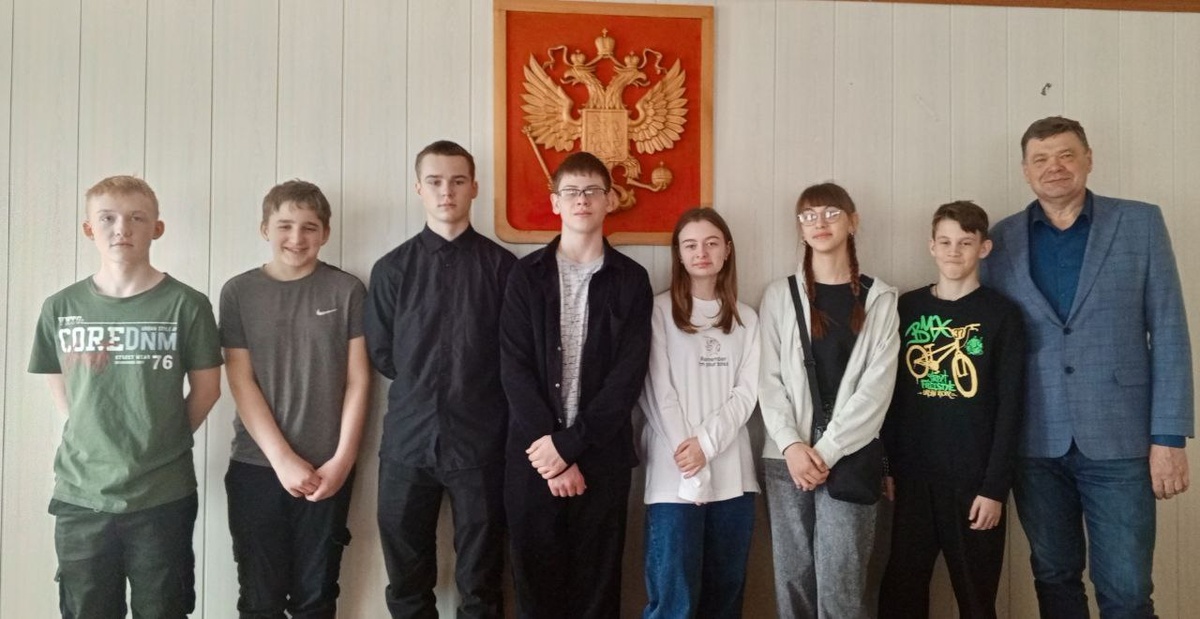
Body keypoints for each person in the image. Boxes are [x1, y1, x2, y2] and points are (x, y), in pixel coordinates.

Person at [982, 116, 1193, 618]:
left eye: (1066, 155)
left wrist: (1169, 437)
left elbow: (1169, 330)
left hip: (1121, 440)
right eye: (1040, 158)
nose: (1053, 167)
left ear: (1089, 159)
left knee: (1127, 589)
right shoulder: (1000, 239)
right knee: (1054, 578)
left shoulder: (1140, 223)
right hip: (1034, 440)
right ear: (1025, 170)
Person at [28, 175, 223, 617]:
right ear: (89, 229)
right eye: (108, 218)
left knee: (164, 609)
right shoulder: (61, 307)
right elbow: (59, 380)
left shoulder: (187, 305)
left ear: (157, 228)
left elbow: (208, 390)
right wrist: (87, 428)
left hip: (162, 493)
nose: (122, 228)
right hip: (81, 494)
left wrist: (163, 436)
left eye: (137, 218)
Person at [364, 140, 516, 618]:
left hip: (482, 444)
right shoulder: (391, 270)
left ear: (474, 188)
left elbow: (514, 357)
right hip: (408, 442)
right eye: (435, 182)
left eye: (457, 181)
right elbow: (383, 353)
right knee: (406, 581)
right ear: (418, 189)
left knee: (482, 582)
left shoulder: (504, 269)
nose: (446, 191)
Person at [500, 151, 653, 619]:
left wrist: (571, 446)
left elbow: (627, 377)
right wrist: (552, 454)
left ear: (610, 200)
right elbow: (514, 368)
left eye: (591, 191)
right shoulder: (525, 275)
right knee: (535, 592)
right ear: (555, 203)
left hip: (601, 458)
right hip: (533, 458)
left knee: (597, 592)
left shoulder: (632, 280)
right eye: (570, 192)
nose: (581, 200)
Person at [220, 180, 369, 617]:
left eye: (309, 227)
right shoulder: (238, 292)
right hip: (256, 467)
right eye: (285, 225)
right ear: (265, 228)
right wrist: (283, 460)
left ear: (325, 233)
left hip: (328, 471)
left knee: (317, 599)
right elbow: (241, 380)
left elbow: (359, 381)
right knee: (259, 599)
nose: (297, 238)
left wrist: (342, 462)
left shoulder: (347, 290)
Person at [878, 201, 1026, 619]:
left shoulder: (1002, 315)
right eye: (944, 242)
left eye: (965, 242)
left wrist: (995, 488)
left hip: (974, 484)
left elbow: (1011, 408)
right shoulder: (906, 308)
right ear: (931, 246)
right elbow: (888, 398)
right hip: (913, 480)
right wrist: (887, 464)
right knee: (901, 593)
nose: (953, 251)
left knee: (976, 599)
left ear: (984, 248)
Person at [758, 181, 899, 619]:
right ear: (800, 229)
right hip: (786, 459)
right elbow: (768, 380)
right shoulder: (780, 296)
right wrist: (792, 446)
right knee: (794, 580)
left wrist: (826, 451)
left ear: (852, 222)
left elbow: (876, 391)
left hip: (850, 456)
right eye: (808, 215)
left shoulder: (880, 299)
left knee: (842, 585)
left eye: (831, 213)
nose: (819, 222)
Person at [639, 207, 760, 619]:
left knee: (724, 598)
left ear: (727, 250)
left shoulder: (747, 318)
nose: (701, 253)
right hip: (672, 479)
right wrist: (690, 458)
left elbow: (746, 394)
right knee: (674, 601)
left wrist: (705, 446)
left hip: (733, 480)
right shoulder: (658, 311)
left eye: (711, 243)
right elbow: (657, 391)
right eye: (690, 245)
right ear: (679, 254)